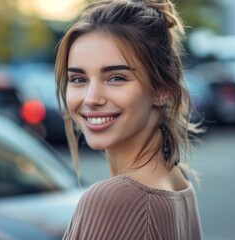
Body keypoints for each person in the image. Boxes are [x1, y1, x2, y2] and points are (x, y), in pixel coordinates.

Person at [54, 0, 203, 239]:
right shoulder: (179, 183)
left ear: (161, 89)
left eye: (116, 77)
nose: (91, 98)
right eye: (79, 79)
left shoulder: (113, 199)